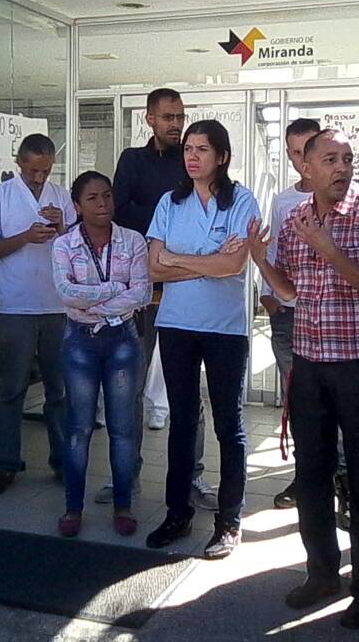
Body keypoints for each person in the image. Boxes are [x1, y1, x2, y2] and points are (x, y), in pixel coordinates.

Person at [247, 128, 359, 629]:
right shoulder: (294, 220)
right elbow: (291, 291)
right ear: (306, 170)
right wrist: (257, 258)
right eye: (330, 160)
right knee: (312, 474)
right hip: (310, 364)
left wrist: (332, 249)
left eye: (346, 159)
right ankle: (321, 573)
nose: (342, 168)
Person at [144, 119, 260, 559]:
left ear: (223, 157)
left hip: (225, 329)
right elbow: (154, 268)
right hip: (176, 325)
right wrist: (205, 260)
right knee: (182, 421)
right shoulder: (170, 203)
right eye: (188, 148)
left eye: (202, 149)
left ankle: (229, 522)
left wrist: (180, 259)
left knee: (229, 425)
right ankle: (178, 512)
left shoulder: (241, 201)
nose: (192, 156)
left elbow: (233, 268)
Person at [108, 86, 217, 510]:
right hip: (141, 291)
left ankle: (193, 477)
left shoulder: (194, 162)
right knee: (129, 389)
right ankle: (126, 478)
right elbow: (121, 213)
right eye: (167, 117)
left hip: (187, 290)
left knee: (190, 390)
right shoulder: (133, 161)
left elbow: (204, 225)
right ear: (150, 119)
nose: (175, 124)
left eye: (180, 116)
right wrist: (167, 223)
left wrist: (163, 229)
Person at [52, 171, 151, 538]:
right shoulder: (64, 246)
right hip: (79, 340)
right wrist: (113, 290)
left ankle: (123, 505)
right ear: (77, 206)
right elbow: (66, 292)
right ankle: (72, 508)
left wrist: (95, 299)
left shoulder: (133, 241)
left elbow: (141, 293)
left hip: (122, 340)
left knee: (122, 428)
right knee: (78, 429)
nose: (103, 204)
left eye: (107, 196)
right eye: (92, 198)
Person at [263, 119, 349, 529]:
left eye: (308, 154)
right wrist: (270, 292)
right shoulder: (285, 204)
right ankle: (306, 478)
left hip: (342, 328)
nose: (302, 164)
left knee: (343, 410)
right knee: (300, 405)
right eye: (295, 154)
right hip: (292, 316)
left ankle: (345, 483)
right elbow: (277, 254)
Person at [0, 133, 75, 494]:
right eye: (33, 170)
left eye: (46, 171)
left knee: (59, 390)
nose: (39, 178)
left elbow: (77, 247)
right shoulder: (0, 196)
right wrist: (25, 236)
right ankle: (6, 462)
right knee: (12, 388)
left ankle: (62, 461)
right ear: (19, 162)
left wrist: (62, 228)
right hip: (17, 306)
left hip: (56, 305)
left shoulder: (61, 196)